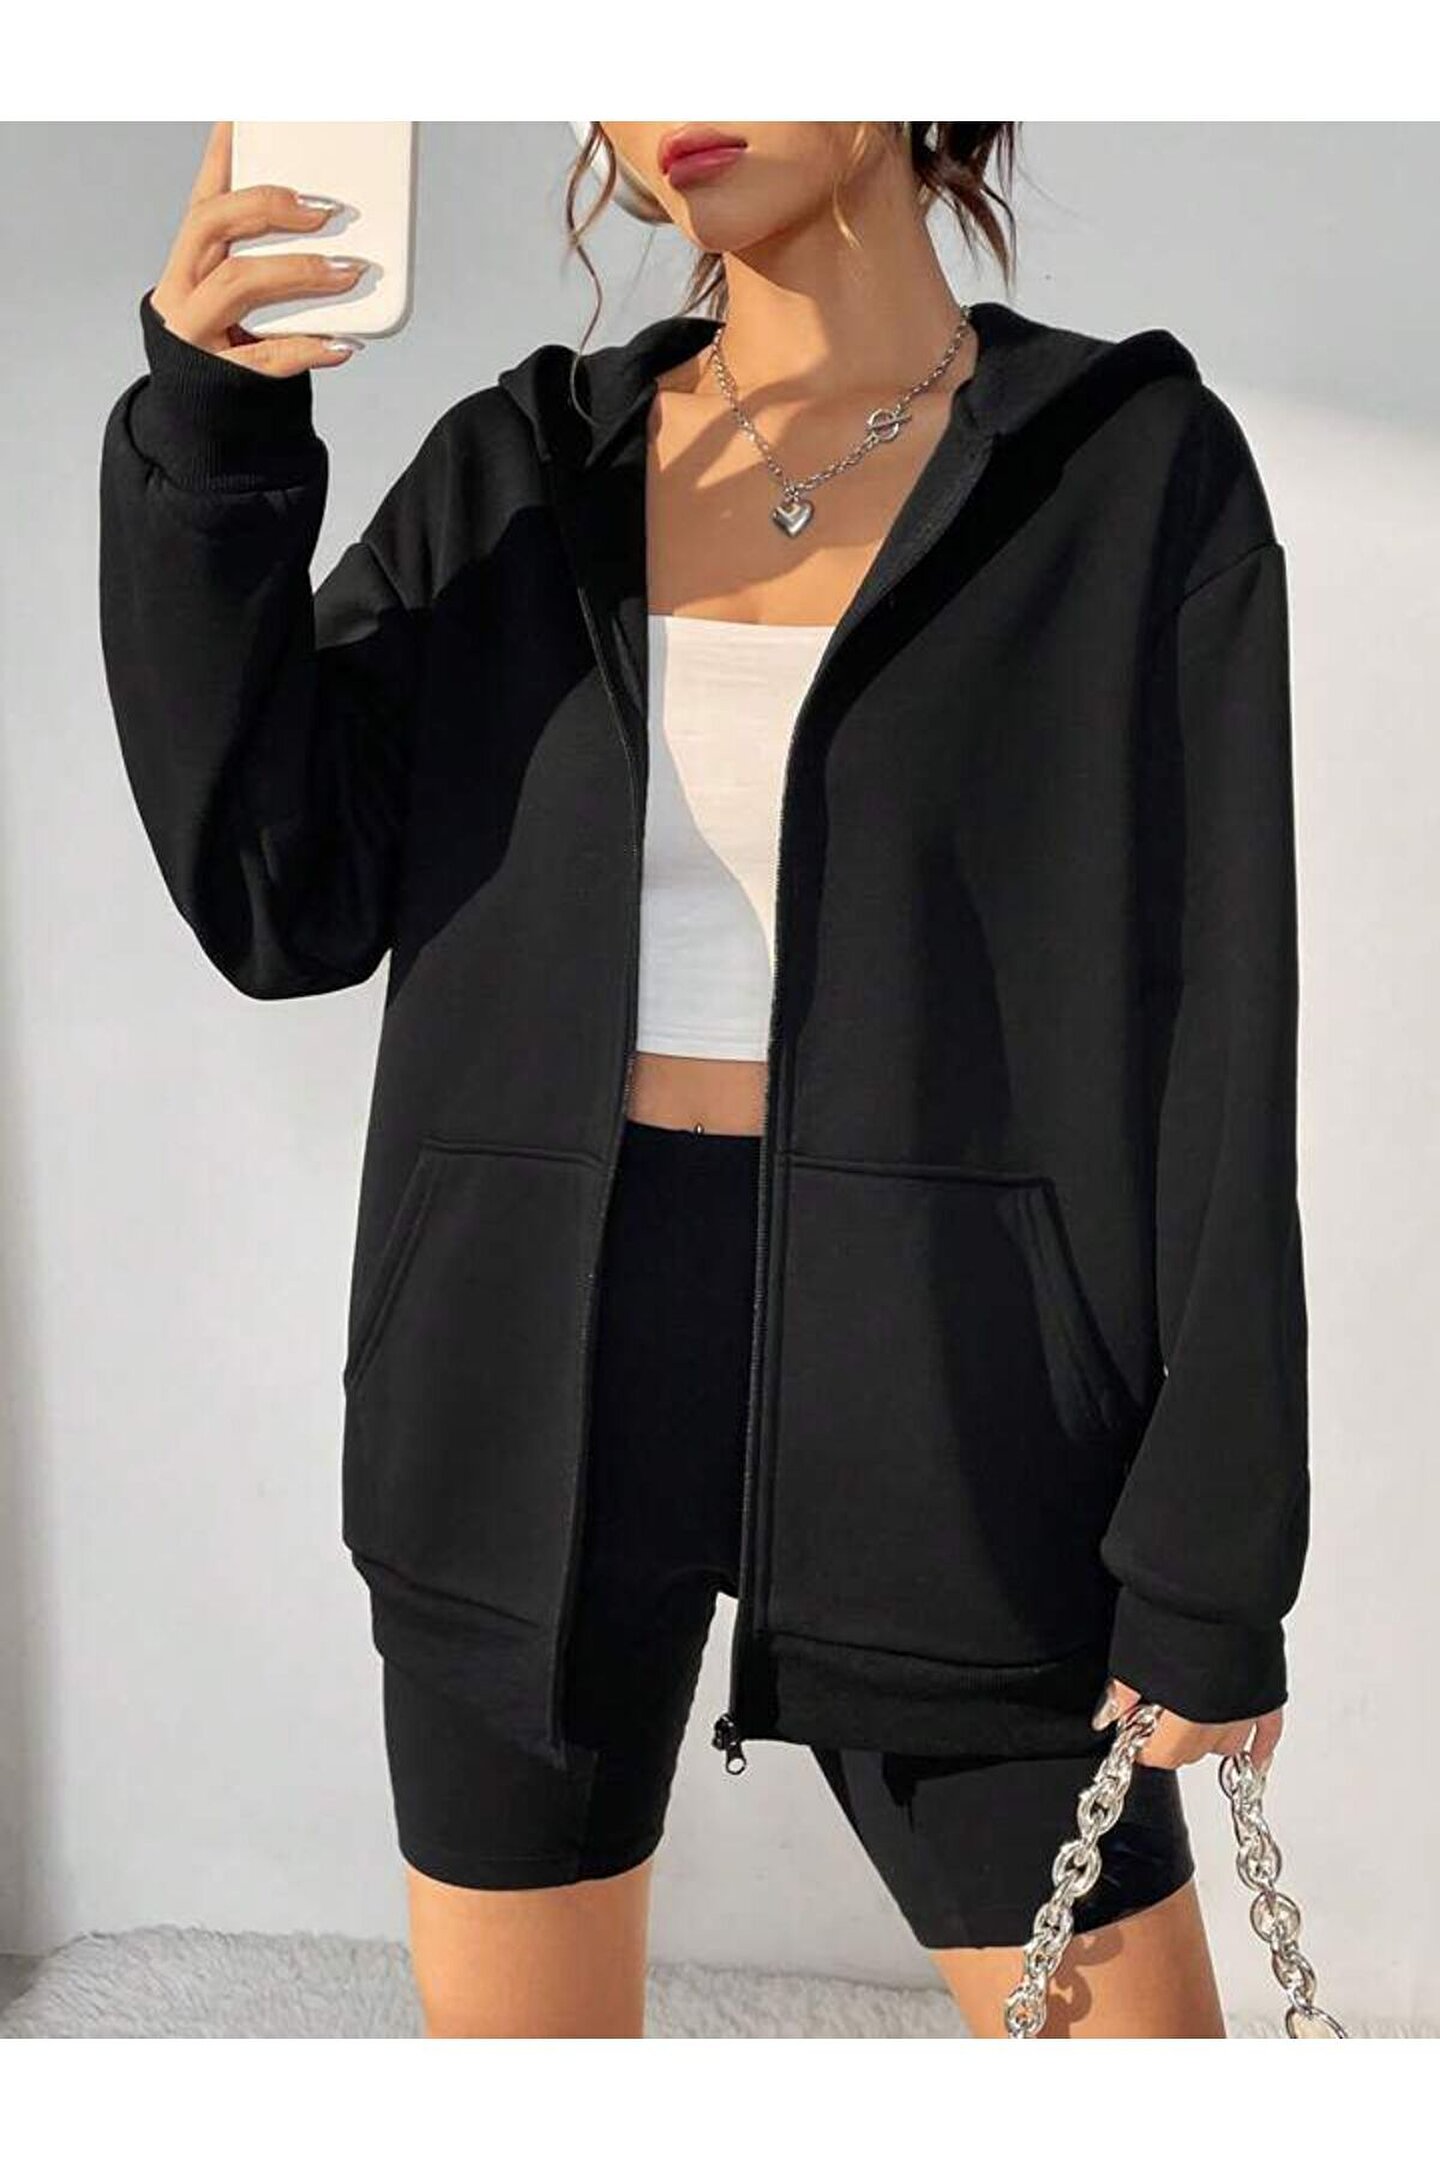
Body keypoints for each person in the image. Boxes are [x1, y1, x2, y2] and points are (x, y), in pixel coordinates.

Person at [98, 121, 1309, 2039]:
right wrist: (213, 438)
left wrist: (1209, 1565)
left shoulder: (1127, 474)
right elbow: (277, 896)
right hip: (518, 1391)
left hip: (960, 1396)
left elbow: (1225, 1044)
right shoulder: (518, 471)